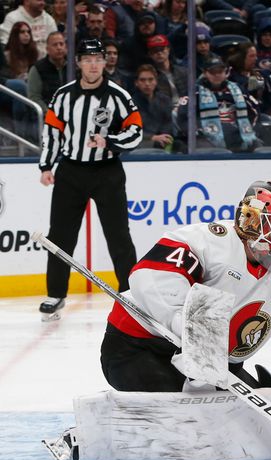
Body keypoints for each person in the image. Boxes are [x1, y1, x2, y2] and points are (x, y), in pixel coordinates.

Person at [47, 181, 271, 460]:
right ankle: (90, 435)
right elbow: (149, 277)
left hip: (215, 361)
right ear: (253, 219)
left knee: (244, 419)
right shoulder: (206, 241)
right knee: (196, 418)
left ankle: (197, 390)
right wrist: (188, 328)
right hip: (137, 349)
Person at [38, 39, 142, 321]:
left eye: (98, 58)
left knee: (118, 235)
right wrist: (46, 166)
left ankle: (130, 294)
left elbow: (136, 132)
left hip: (107, 172)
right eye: (88, 59)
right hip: (70, 171)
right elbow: (52, 132)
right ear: (79, 63)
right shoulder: (63, 95)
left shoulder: (118, 96)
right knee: (60, 236)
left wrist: (109, 141)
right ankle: (56, 294)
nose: (93, 64)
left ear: (104, 62)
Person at [173, 56, 263, 153]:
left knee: (257, 145)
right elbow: (182, 116)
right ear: (205, 73)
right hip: (206, 137)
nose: (217, 75)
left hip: (238, 135)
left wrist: (251, 130)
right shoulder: (194, 92)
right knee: (205, 149)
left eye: (220, 71)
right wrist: (197, 133)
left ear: (226, 72)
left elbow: (255, 111)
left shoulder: (239, 90)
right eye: (212, 72)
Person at [131, 64, 173, 150]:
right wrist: (152, 137)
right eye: (142, 80)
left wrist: (162, 137)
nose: (147, 84)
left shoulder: (165, 100)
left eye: (150, 80)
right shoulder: (129, 103)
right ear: (136, 83)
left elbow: (168, 123)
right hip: (140, 142)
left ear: (156, 81)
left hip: (162, 139)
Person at [27, 31, 67, 122]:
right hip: (47, 116)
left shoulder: (74, 66)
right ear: (47, 49)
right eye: (55, 45)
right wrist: (50, 114)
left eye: (61, 44)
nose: (59, 48)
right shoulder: (37, 69)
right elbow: (34, 97)